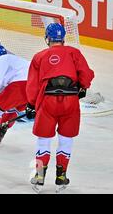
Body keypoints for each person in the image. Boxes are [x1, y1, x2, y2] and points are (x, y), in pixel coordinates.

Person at [26, 23, 94, 192]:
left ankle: (40, 175)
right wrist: (83, 86)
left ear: (47, 38)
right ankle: (61, 176)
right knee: (66, 139)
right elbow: (86, 74)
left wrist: (31, 104)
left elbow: (32, 85)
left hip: (47, 101)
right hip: (70, 101)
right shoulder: (74, 52)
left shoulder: (39, 56)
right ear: (63, 38)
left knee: (44, 139)